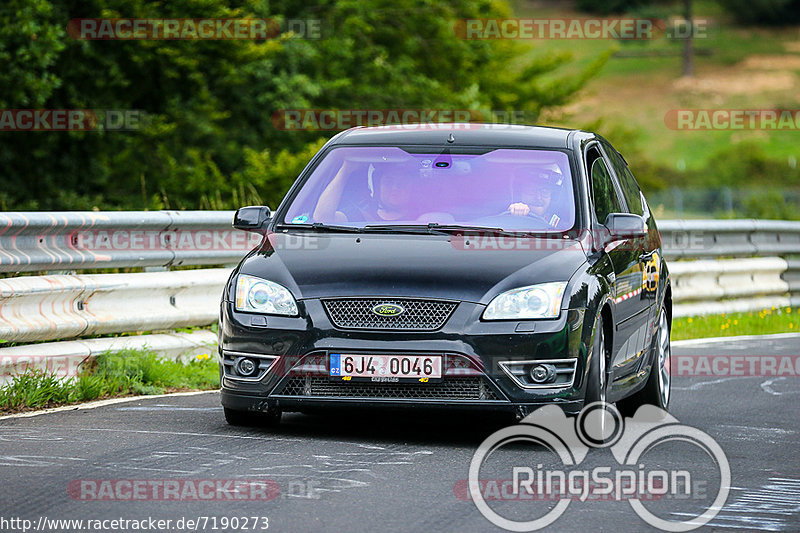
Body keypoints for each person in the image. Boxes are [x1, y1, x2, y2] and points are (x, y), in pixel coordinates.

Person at [313, 160, 416, 223]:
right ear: (377, 187)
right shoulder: (360, 217)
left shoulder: (425, 221)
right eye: (388, 181)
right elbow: (322, 218)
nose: (395, 188)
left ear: (413, 188)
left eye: (402, 182)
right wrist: (345, 170)